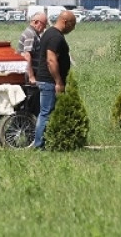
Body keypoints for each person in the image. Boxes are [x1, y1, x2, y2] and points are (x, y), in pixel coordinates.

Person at [33, 10, 77, 150]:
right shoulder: (55, 37)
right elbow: (51, 60)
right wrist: (58, 81)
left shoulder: (51, 33)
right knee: (46, 113)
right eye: (73, 24)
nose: (73, 28)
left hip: (47, 80)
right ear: (65, 22)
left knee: (46, 112)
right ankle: (39, 145)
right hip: (49, 81)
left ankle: (46, 141)